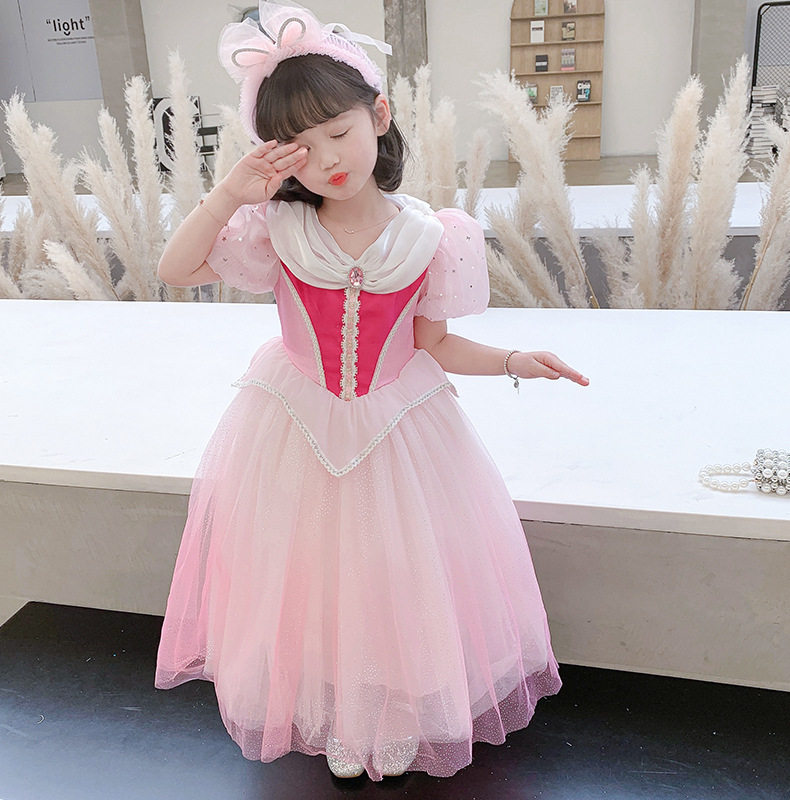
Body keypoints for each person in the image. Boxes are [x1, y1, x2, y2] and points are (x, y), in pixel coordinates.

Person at [154, 0, 589, 782]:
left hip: (399, 430)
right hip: (294, 425)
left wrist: (516, 359)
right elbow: (176, 269)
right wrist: (230, 195)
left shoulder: (434, 235)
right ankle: (333, 718)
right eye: (301, 147)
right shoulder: (274, 227)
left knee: (396, 579)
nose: (327, 159)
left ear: (378, 116)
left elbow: (436, 344)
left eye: (338, 131)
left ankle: (390, 717)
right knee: (310, 582)